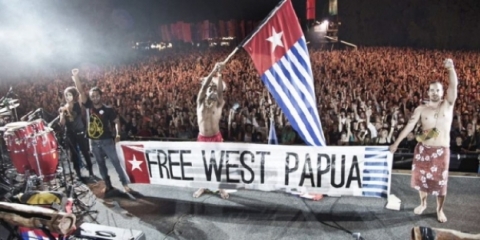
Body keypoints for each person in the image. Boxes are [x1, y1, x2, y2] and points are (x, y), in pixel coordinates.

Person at [389, 58, 457, 223]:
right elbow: (409, 127)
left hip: (441, 149)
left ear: (443, 92)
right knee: (422, 181)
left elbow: (454, 86)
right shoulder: (421, 109)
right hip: (423, 149)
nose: (434, 92)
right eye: (431, 90)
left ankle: (439, 209)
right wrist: (396, 143)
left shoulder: (447, 105)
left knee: (440, 184)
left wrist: (450, 69)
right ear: (427, 92)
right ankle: (423, 203)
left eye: (438, 90)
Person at [71, 69, 137, 196]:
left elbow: (117, 121)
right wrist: (76, 77)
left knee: (116, 163)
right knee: (101, 165)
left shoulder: (108, 109)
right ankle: (108, 185)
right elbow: (80, 91)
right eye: (92, 96)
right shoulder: (89, 106)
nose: (95, 98)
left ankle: (124, 184)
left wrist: (117, 134)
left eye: (97, 95)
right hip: (93, 142)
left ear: (101, 96)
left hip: (106, 141)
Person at [192, 62, 229, 199]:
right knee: (203, 164)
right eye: (210, 89)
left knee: (218, 165)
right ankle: (203, 185)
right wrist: (213, 70)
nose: (212, 91)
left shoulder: (219, 104)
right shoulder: (200, 102)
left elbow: (220, 91)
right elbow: (205, 86)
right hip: (203, 138)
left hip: (216, 137)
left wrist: (219, 75)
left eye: (214, 89)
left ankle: (221, 188)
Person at [58, 86, 95, 181]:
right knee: (74, 154)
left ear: (74, 95)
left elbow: (81, 93)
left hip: (80, 131)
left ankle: (90, 171)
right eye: (66, 95)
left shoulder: (78, 104)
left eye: (69, 94)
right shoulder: (63, 107)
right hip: (70, 133)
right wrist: (62, 114)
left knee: (84, 151)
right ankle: (78, 172)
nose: (67, 96)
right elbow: (62, 123)